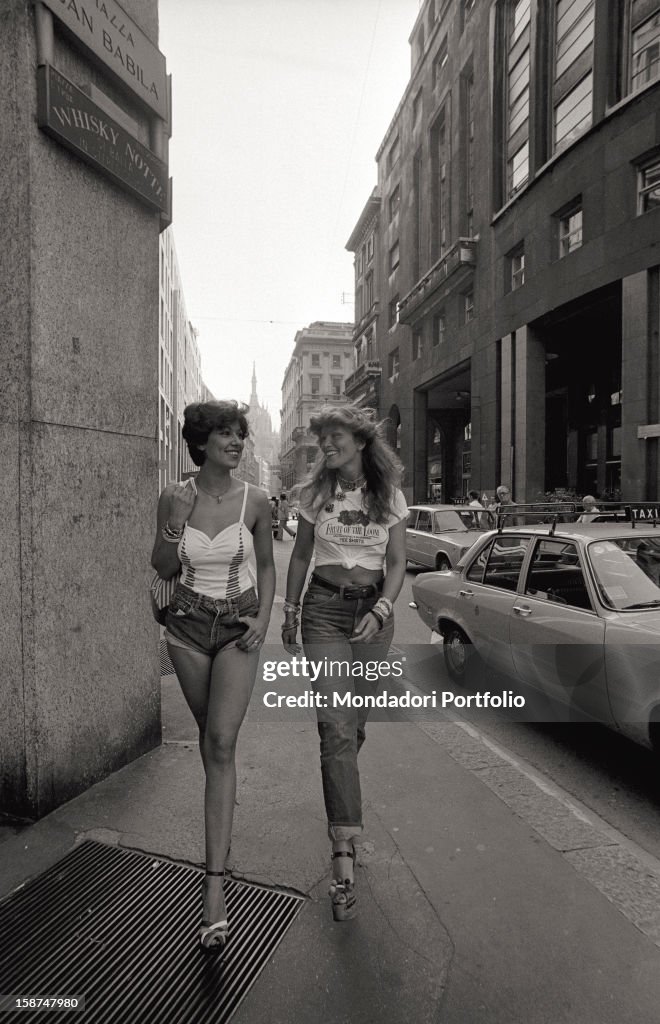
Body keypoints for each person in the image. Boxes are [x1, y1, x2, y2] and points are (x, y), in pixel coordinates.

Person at [151, 400, 275, 954]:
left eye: (240, 434)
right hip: (186, 629)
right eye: (225, 434)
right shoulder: (175, 495)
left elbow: (267, 567)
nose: (236, 442)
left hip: (238, 629)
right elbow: (161, 567)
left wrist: (265, 619)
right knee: (211, 746)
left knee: (221, 742)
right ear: (199, 443)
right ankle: (222, 819)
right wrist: (175, 523)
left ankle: (214, 885)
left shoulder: (258, 500)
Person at [282, 404, 407, 923]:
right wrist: (289, 613)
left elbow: (397, 563)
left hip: (373, 616)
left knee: (352, 728)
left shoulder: (389, 496)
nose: (325, 446)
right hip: (325, 615)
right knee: (335, 728)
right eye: (322, 439)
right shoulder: (316, 494)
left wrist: (382, 608)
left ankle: (342, 796)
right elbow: (300, 556)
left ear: (360, 442)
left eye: (334, 437)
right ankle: (343, 851)